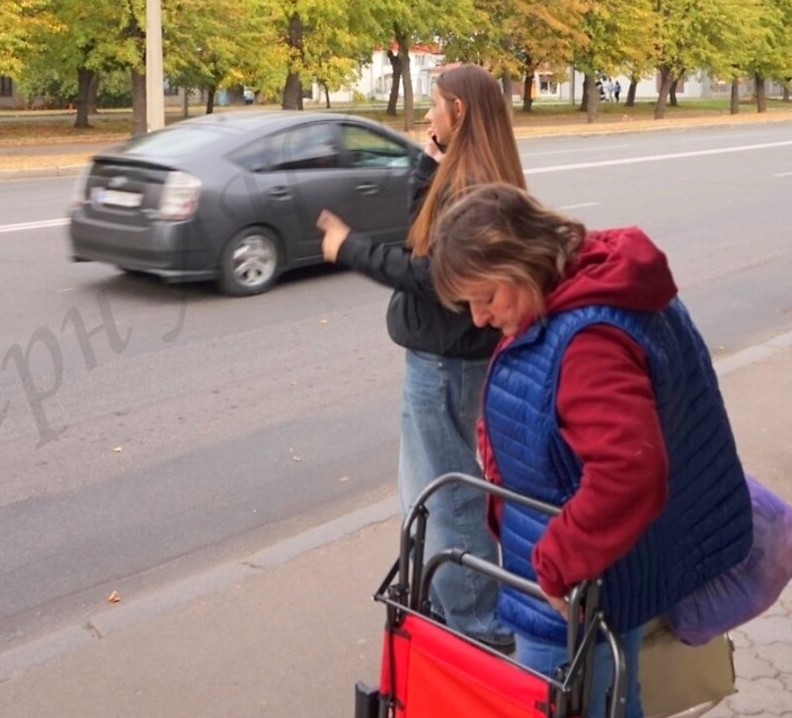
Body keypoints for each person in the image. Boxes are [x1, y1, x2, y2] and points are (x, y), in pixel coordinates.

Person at [428, 183, 752, 718]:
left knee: (584, 700)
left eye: (485, 297)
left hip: (572, 589)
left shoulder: (587, 340)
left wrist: (555, 563)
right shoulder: (592, 285)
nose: (478, 317)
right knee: (614, 698)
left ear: (522, 262)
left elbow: (629, 471)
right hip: (608, 568)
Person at [315, 64, 524, 649]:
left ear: (459, 111)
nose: (427, 115)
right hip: (450, 358)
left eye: (435, 104)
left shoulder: (472, 186)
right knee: (430, 492)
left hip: (445, 363)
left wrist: (350, 249)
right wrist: (427, 164)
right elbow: (423, 235)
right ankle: (443, 599)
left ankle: (478, 622)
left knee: (447, 493)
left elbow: (431, 275)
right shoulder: (472, 175)